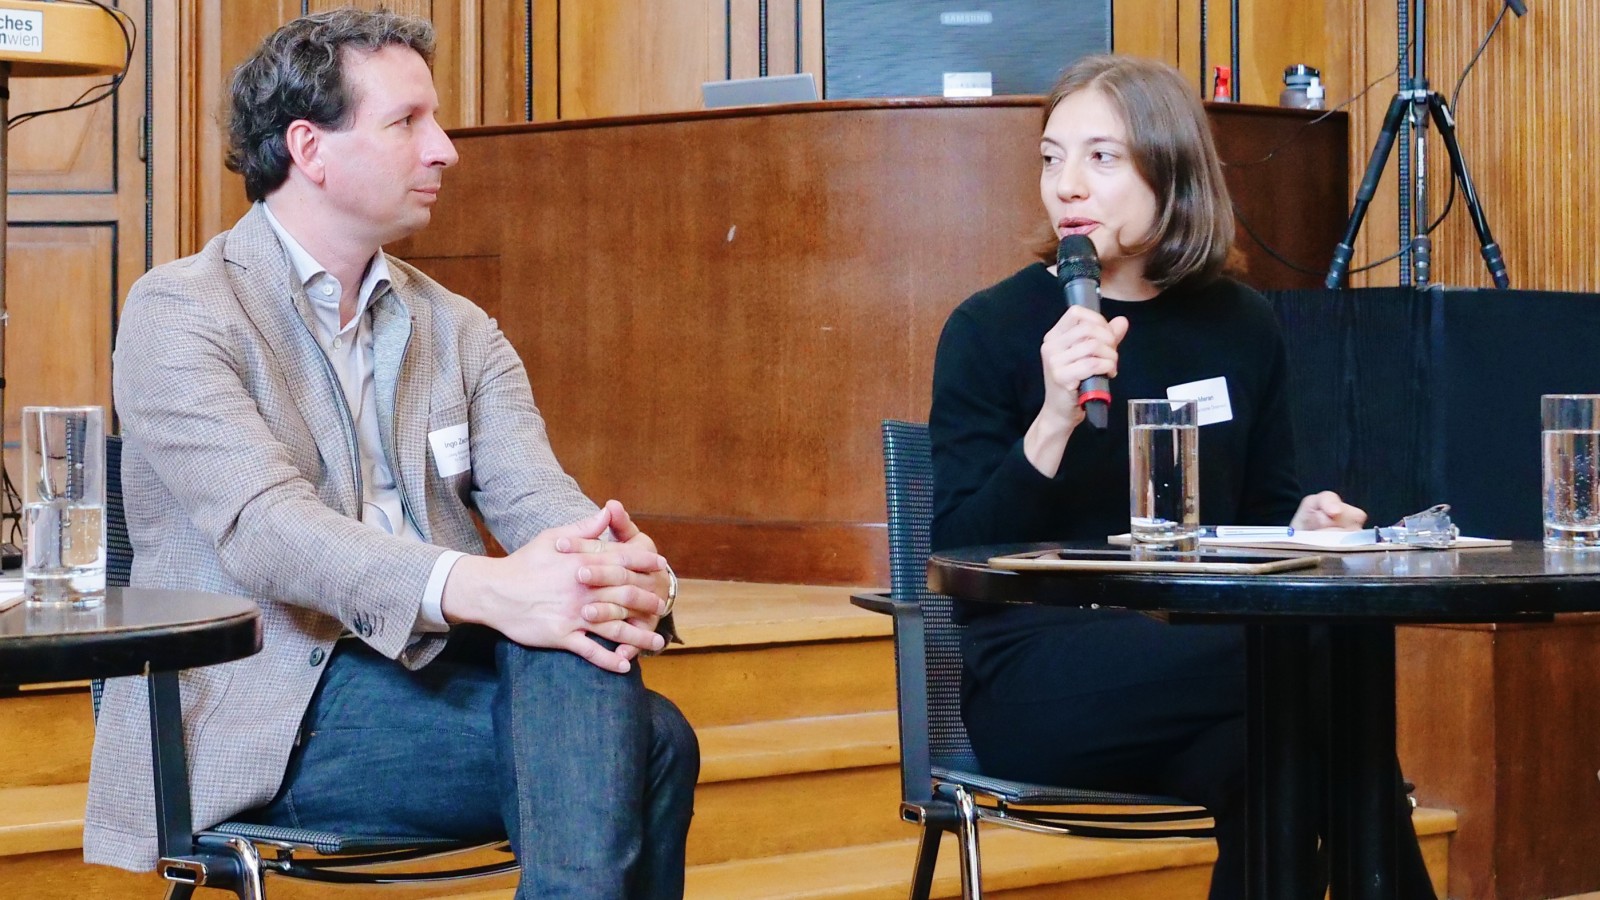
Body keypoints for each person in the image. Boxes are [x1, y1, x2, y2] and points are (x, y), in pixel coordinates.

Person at [83, 9, 698, 898]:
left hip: (431, 671)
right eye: (408, 122)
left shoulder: (457, 327)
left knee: (576, 632)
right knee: (653, 742)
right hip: (263, 706)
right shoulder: (180, 311)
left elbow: (544, 505)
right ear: (310, 147)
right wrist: (486, 585)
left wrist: (628, 574)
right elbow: (268, 531)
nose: (446, 148)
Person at [928, 55, 1436, 899]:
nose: (1067, 186)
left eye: (1101, 157)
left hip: (1209, 654)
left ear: (1170, 171)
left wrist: (1304, 523)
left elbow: (1264, 513)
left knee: (1282, 758)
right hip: (1043, 671)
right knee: (1326, 661)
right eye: (1052, 158)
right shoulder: (992, 327)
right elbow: (958, 551)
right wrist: (1052, 417)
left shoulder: (1242, 324)